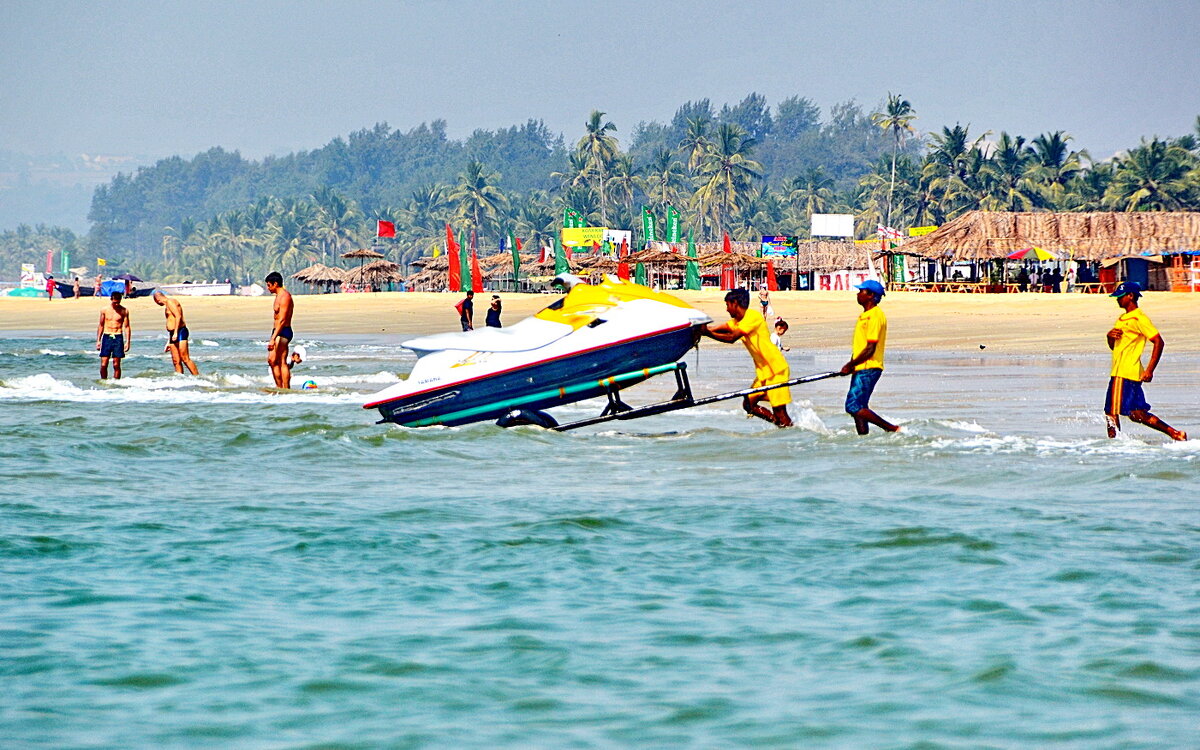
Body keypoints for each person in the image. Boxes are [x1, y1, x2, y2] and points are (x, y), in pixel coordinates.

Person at [1104, 281, 1187, 441]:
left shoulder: (1139, 318)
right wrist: (1109, 337)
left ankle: (1113, 446)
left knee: (1110, 412)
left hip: (1124, 372)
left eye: (1120, 297)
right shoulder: (1122, 318)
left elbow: (1158, 341)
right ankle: (1175, 434)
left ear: (1130, 296)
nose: (1117, 300)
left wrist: (1150, 370)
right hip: (1126, 372)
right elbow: (1115, 348)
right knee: (1137, 414)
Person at [701, 288, 792, 427]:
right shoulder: (737, 321)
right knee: (748, 404)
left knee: (780, 411)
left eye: (727, 305)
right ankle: (778, 424)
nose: (726, 309)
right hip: (764, 373)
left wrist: (706, 333)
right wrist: (700, 330)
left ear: (735, 303)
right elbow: (718, 328)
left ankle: (788, 430)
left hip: (776, 370)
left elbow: (732, 337)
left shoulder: (752, 317)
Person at [840, 280, 900, 435]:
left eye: (861, 291)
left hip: (869, 367)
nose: (858, 294)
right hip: (861, 367)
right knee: (859, 407)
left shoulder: (875, 315)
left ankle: (892, 429)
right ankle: (863, 439)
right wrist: (853, 365)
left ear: (871, 295)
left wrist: (850, 364)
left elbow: (870, 348)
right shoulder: (865, 315)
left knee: (852, 406)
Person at [153, 291, 199, 375]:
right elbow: (171, 321)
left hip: (180, 331)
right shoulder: (167, 306)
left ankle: (197, 377)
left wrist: (176, 333)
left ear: (157, 300)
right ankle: (180, 379)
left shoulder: (170, 302)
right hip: (173, 333)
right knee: (176, 360)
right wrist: (169, 341)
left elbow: (178, 316)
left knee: (185, 358)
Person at [265, 271, 294, 389]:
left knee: (281, 360)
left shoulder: (285, 297)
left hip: (283, 331)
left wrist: (272, 339)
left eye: (269, 285)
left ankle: (285, 388)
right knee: (272, 360)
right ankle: (279, 386)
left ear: (275, 283)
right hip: (276, 331)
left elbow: (282, 320)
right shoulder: (278, 296)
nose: (268, 288)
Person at [96, 291, 131, 379]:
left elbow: (127, 327)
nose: (116, 304)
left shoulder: (124, 310)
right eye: (114, 302)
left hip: (118, 337)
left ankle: (116, 383)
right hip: (107, 336)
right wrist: (98, 340)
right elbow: (101, 325)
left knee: (116, 364)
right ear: (111, 299)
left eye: (118, 302)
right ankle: (103, 381)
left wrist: (127, 342)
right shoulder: (104, 310)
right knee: (104, 364)